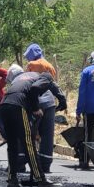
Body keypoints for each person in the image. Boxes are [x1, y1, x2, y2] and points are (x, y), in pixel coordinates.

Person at [1, 71, 68, 187]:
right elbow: (36, 88)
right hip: (18, 106)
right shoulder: (44, 77)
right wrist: (36, 108)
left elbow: (30, 90)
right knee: (29, 145)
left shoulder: (23, 77)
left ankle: (12, 180)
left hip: (4, 105)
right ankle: (41, 180)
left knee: (12, 146)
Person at [24, 43, 59, 172]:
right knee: (47, 135)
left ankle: (24, 161)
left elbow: (27, 83)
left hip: (36, 102)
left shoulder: (32, 65)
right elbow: (53, 84)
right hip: (49, 102)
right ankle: (45, 164)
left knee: (29, 132)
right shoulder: (50, 66)